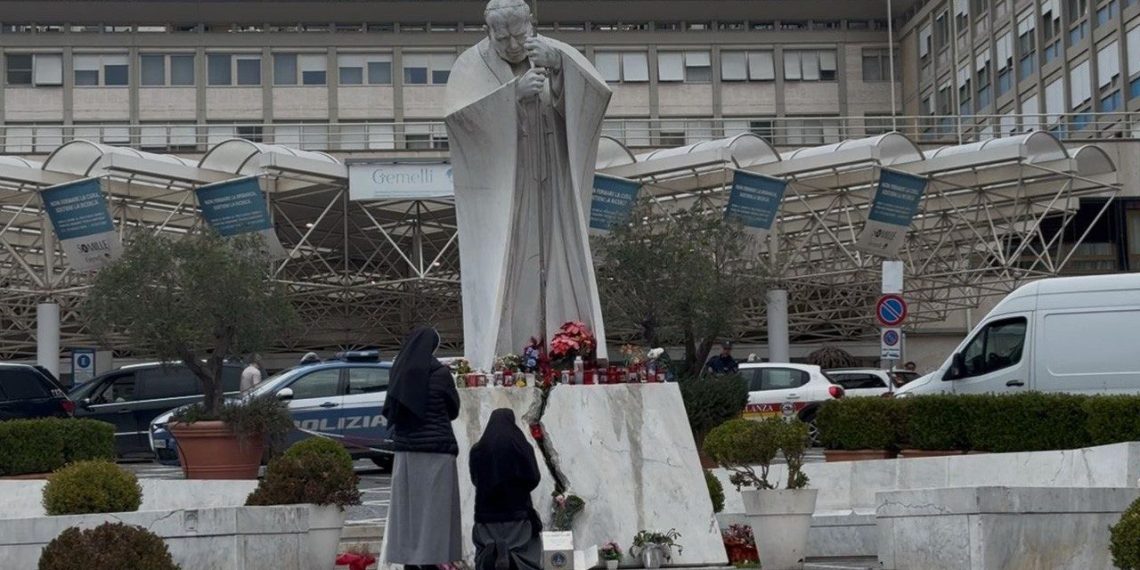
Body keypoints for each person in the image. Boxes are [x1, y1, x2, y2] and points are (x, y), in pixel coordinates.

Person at [445, 0, 613, 371]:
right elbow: (460, 121)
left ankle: (569, 345)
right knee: (513, 260)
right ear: (489, 32)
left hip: (554, 180)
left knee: (560, 253)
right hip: (509, 187)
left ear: (531, 24)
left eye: (519, 35)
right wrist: (512, 96)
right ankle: (508, 353)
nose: (512, 45)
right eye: (502, 38)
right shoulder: (470, 65)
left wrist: (560, 69)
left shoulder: (556, 52)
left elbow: (597, 97)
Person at [382, 327, 462, 570]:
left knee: (408, 512)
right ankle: (433, 561)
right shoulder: (440, 374)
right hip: (438, 450)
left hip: (406, 451)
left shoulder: (398, 371)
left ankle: (410, 561)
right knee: (435, 512)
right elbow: (453, 408)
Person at [470, 408, 543, 570]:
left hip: (485, 518)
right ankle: (511, 558)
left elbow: (475, 480)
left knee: (484, 551)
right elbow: (534, 477)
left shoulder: (477, 450)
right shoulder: (522, 447)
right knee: (526, 554)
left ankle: (492, 555)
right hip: (518, 515)